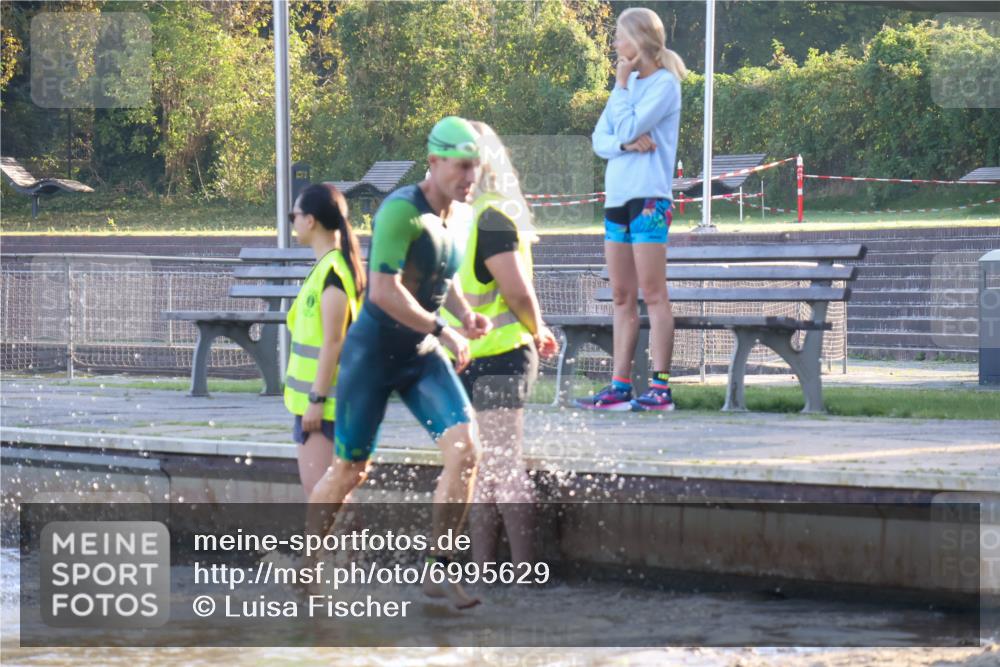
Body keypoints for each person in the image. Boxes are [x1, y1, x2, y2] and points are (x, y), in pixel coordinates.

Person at [303, 116, 490, 609]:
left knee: (466, 450)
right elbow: (385, 290)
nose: (471, 178)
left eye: (477, 168)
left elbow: (436, 277)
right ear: (433, 162)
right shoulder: (399, 212)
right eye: (463, 167)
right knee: (349, 472)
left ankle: (438, 568)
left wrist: (465, 315)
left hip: (420, 356)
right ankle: (308, 567)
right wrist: (441, 329)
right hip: (373, 355)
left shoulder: (459, 213)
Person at [447, 122, 559, 565]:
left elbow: (515, 291)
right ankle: (491, 571)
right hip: (480, 354)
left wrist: (535, 327)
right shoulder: (483, 215)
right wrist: (538, 327)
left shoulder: (477, 217)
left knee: (498, 467)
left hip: (493, 358)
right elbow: (514, 293)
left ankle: (516, 573)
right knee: (488, 468)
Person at [576, 7, 687, 413]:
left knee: (653, 294)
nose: (615, 45)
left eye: (620, 37)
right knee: (622, 294)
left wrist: (623, 101)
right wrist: (624, 144)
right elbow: (601, 139)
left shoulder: (664, 85)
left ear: (639, 41)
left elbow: (622, 127)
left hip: (649, 200)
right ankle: (619, 386)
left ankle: (661, 388)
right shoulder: (625, 88)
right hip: (618, 199)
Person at [284, 183, 364, 497]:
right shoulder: (329, 267)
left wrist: (316, 400)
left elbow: (333, 341)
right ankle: (351, 549)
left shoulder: (333, 273)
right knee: (335, 504)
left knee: (323, 500)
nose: (293, 222)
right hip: (326, 403)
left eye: (295, 215)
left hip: (326, 406)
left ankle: (333, 550)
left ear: (311, 220)